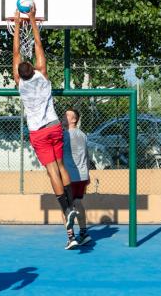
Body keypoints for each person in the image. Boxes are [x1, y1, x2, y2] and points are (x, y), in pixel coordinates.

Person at [12, 5, 78, 234]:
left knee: (52, 171)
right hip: (53, 126)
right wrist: (31, 20)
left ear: (19, 73)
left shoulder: (19, 83)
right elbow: (38, 46)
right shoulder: (42, 74)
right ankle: (72, 206)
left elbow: (16, 52)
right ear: (34, 68)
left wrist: (17, 23)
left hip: (38, 132)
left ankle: (66, 209)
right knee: (62, 166)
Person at [62, 107, 93, 249]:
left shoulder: (64, 135)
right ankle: (84, 233)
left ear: (74, 119)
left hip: (70, 177)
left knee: (66, 208)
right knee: (78, 204)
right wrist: (87, 175)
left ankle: (71, 238)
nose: (64, 117)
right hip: (82, 176)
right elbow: (87, 156)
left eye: (67, 116)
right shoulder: (83, 135)